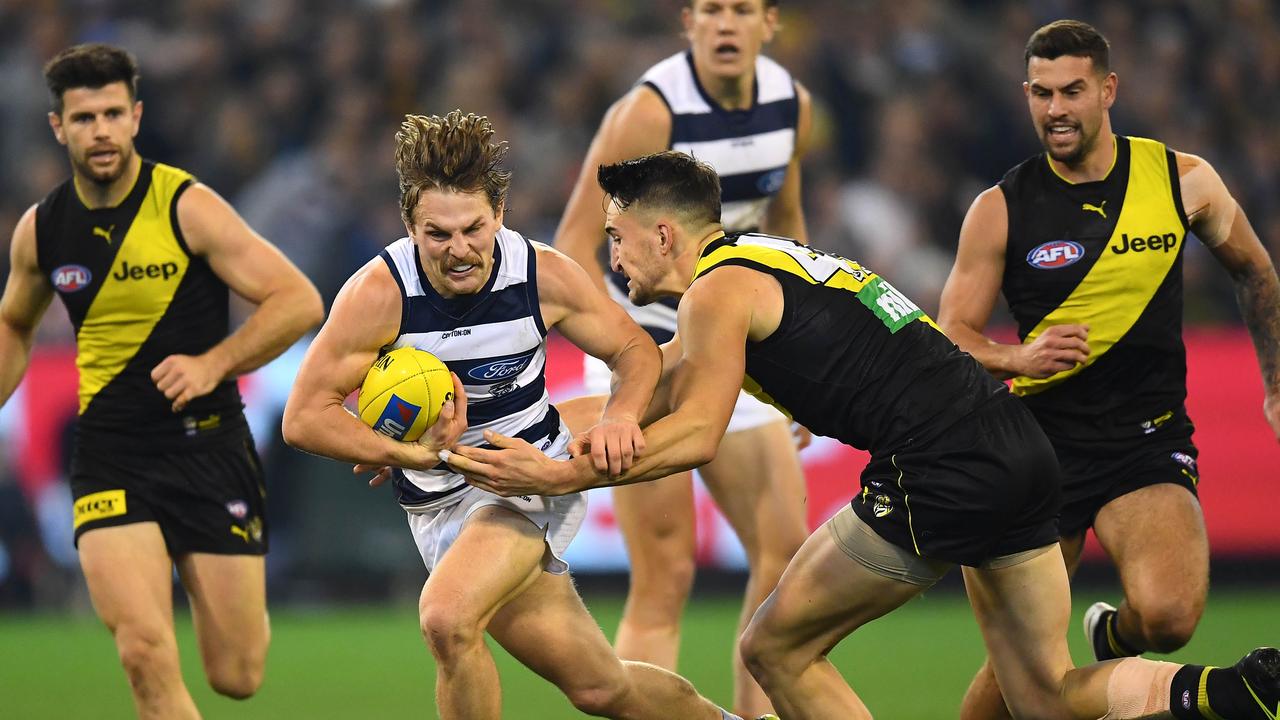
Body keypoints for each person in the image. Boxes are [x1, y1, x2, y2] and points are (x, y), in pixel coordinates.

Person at [446, 150, 1280, 720]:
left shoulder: (716, 292)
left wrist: (562, 481)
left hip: (941, 467)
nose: (613, 259)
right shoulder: (770, 258)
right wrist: (494, 443)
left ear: (664, 235)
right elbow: (655, 384)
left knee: (775, 648)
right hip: (1021, 450)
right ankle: (1223, 692)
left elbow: (698, 435)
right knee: (1044, 697)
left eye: (617, 239)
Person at [281, 111, 747, 720]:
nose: (459, 250)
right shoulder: (380, 294)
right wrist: (399, 452)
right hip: (433, 501)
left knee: (447, 619)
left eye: (474, 228)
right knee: (601, 688)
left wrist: (619, 417)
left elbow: (634, 350)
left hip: (525, 475)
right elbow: (303, 416)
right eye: (438, 234)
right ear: (409, 226)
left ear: (500, 214)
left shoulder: (539, 274)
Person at [934, 20, 1280, 720]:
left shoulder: (1182, 181)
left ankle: (1110, 636)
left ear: (1108, 90)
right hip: (1037, 454)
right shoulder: (1000, 208)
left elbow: (1255, 270)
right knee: (1024, 673)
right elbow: (953, 334)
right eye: (1040, 92)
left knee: (1170, 618)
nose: (1055, 108)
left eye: (1071, 90)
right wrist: (1017, 356)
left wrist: (1276, 383)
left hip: (1142, 443)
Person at [0, 44, 325, 719]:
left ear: (137, 117)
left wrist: (213, 364)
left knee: (236, 673)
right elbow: (14, 324)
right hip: (112, 456)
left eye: (114, 113)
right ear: (59, 127)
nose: (102, 131)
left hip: (209, 450)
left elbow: (298, 300)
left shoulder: (187, 206)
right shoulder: (42, 230)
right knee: (143, 652)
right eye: (85, 117)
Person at [554, 1, 812, 712]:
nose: (725, 24)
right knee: (665, 573)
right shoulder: (650, 112)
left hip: (741, 348)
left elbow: (786, 228)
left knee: (785, 556)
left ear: (771, 22)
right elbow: (576, 242)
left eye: (741, 10)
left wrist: (804, 359)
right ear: (687, 22)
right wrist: (627, 350)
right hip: (647, 347)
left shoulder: (792, 104)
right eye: (710, 10)